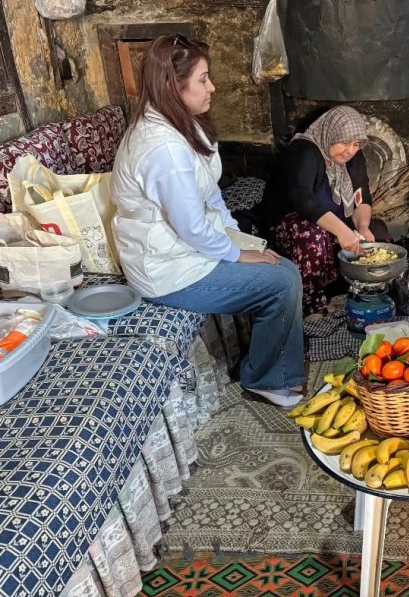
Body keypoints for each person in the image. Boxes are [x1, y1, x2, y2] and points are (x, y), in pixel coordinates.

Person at [110, 34, 305, 408]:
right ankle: (267, 380)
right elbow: (191, 227)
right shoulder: (162, 147)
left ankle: (265, 362)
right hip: (168, 271)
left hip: (189, 249)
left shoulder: (185, 123)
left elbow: (209, 192)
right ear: (172, 85)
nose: (212, 87)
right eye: (203, 79)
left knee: (274, 257)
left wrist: (236, 235)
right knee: (282, 279)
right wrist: (235, 254)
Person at [262, 106, 389, 316]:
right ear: (330, 134)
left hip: (331, 223)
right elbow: (302, 198)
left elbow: (361, 196)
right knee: (312, 234)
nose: (350, 150)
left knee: (379, 232)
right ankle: (313, 308)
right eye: (344, 142)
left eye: (356, 144)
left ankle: (357, 295)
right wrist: (342, 231)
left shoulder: (352, 158)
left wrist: (362, 227)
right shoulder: (304, 151)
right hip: (291, 223)